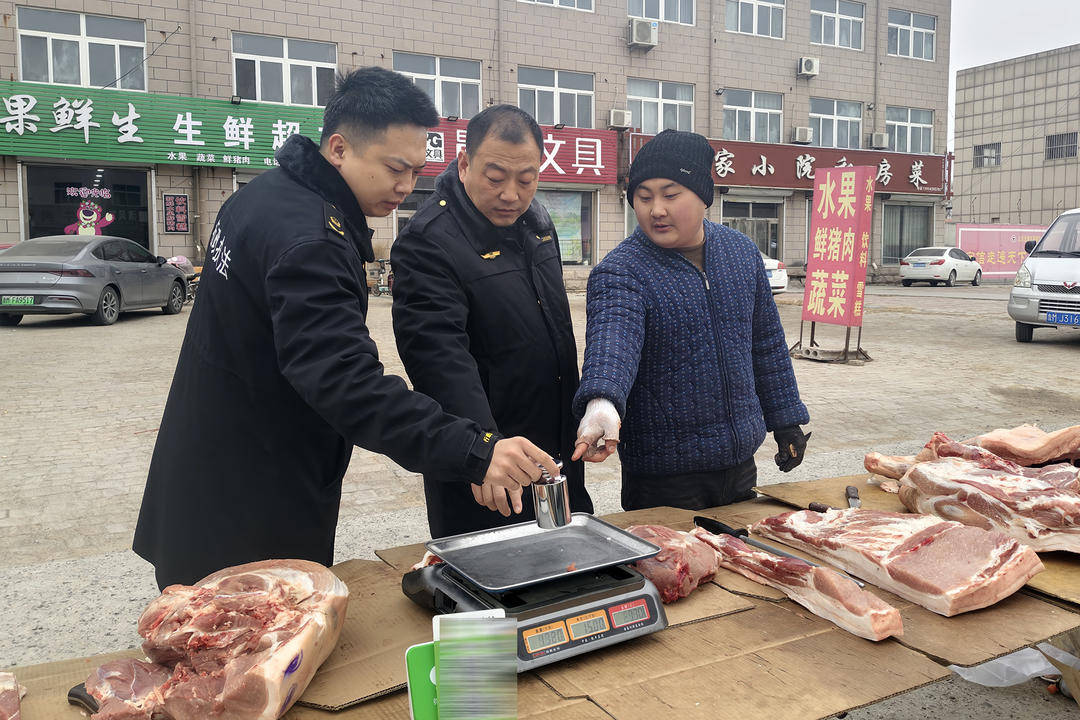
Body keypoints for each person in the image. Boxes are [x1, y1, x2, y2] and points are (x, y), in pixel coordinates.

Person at [133, 69, 559, 590]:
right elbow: (347, 381)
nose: (406, 187)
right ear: (339, 148)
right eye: (394, 169)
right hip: (253, 495)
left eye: (415, 170)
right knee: (241, 649)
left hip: (214, 471)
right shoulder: (312, 237)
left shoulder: (265, 195)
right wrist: (475, 449)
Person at [571, 129, 810, 511]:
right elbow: (613, 342)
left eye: (670, 194)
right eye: (643, 197)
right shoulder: (622, 270)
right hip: (663, 480)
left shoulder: (740, 253)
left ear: (703, 196)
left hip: (739, 465)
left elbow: (765, 344)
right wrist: (602, 401)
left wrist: (785, 421)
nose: (656, 210)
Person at [391, 105, 594, 537]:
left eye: (527, 179)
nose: (511, 195)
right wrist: (482, 450)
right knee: (495, 585)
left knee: (573, 573)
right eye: (495, 177)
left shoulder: (537, 223)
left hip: (552, 450)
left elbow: (556, 330)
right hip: (488, 464)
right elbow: (438, 358)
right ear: (464, 164)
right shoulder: (429, 241)